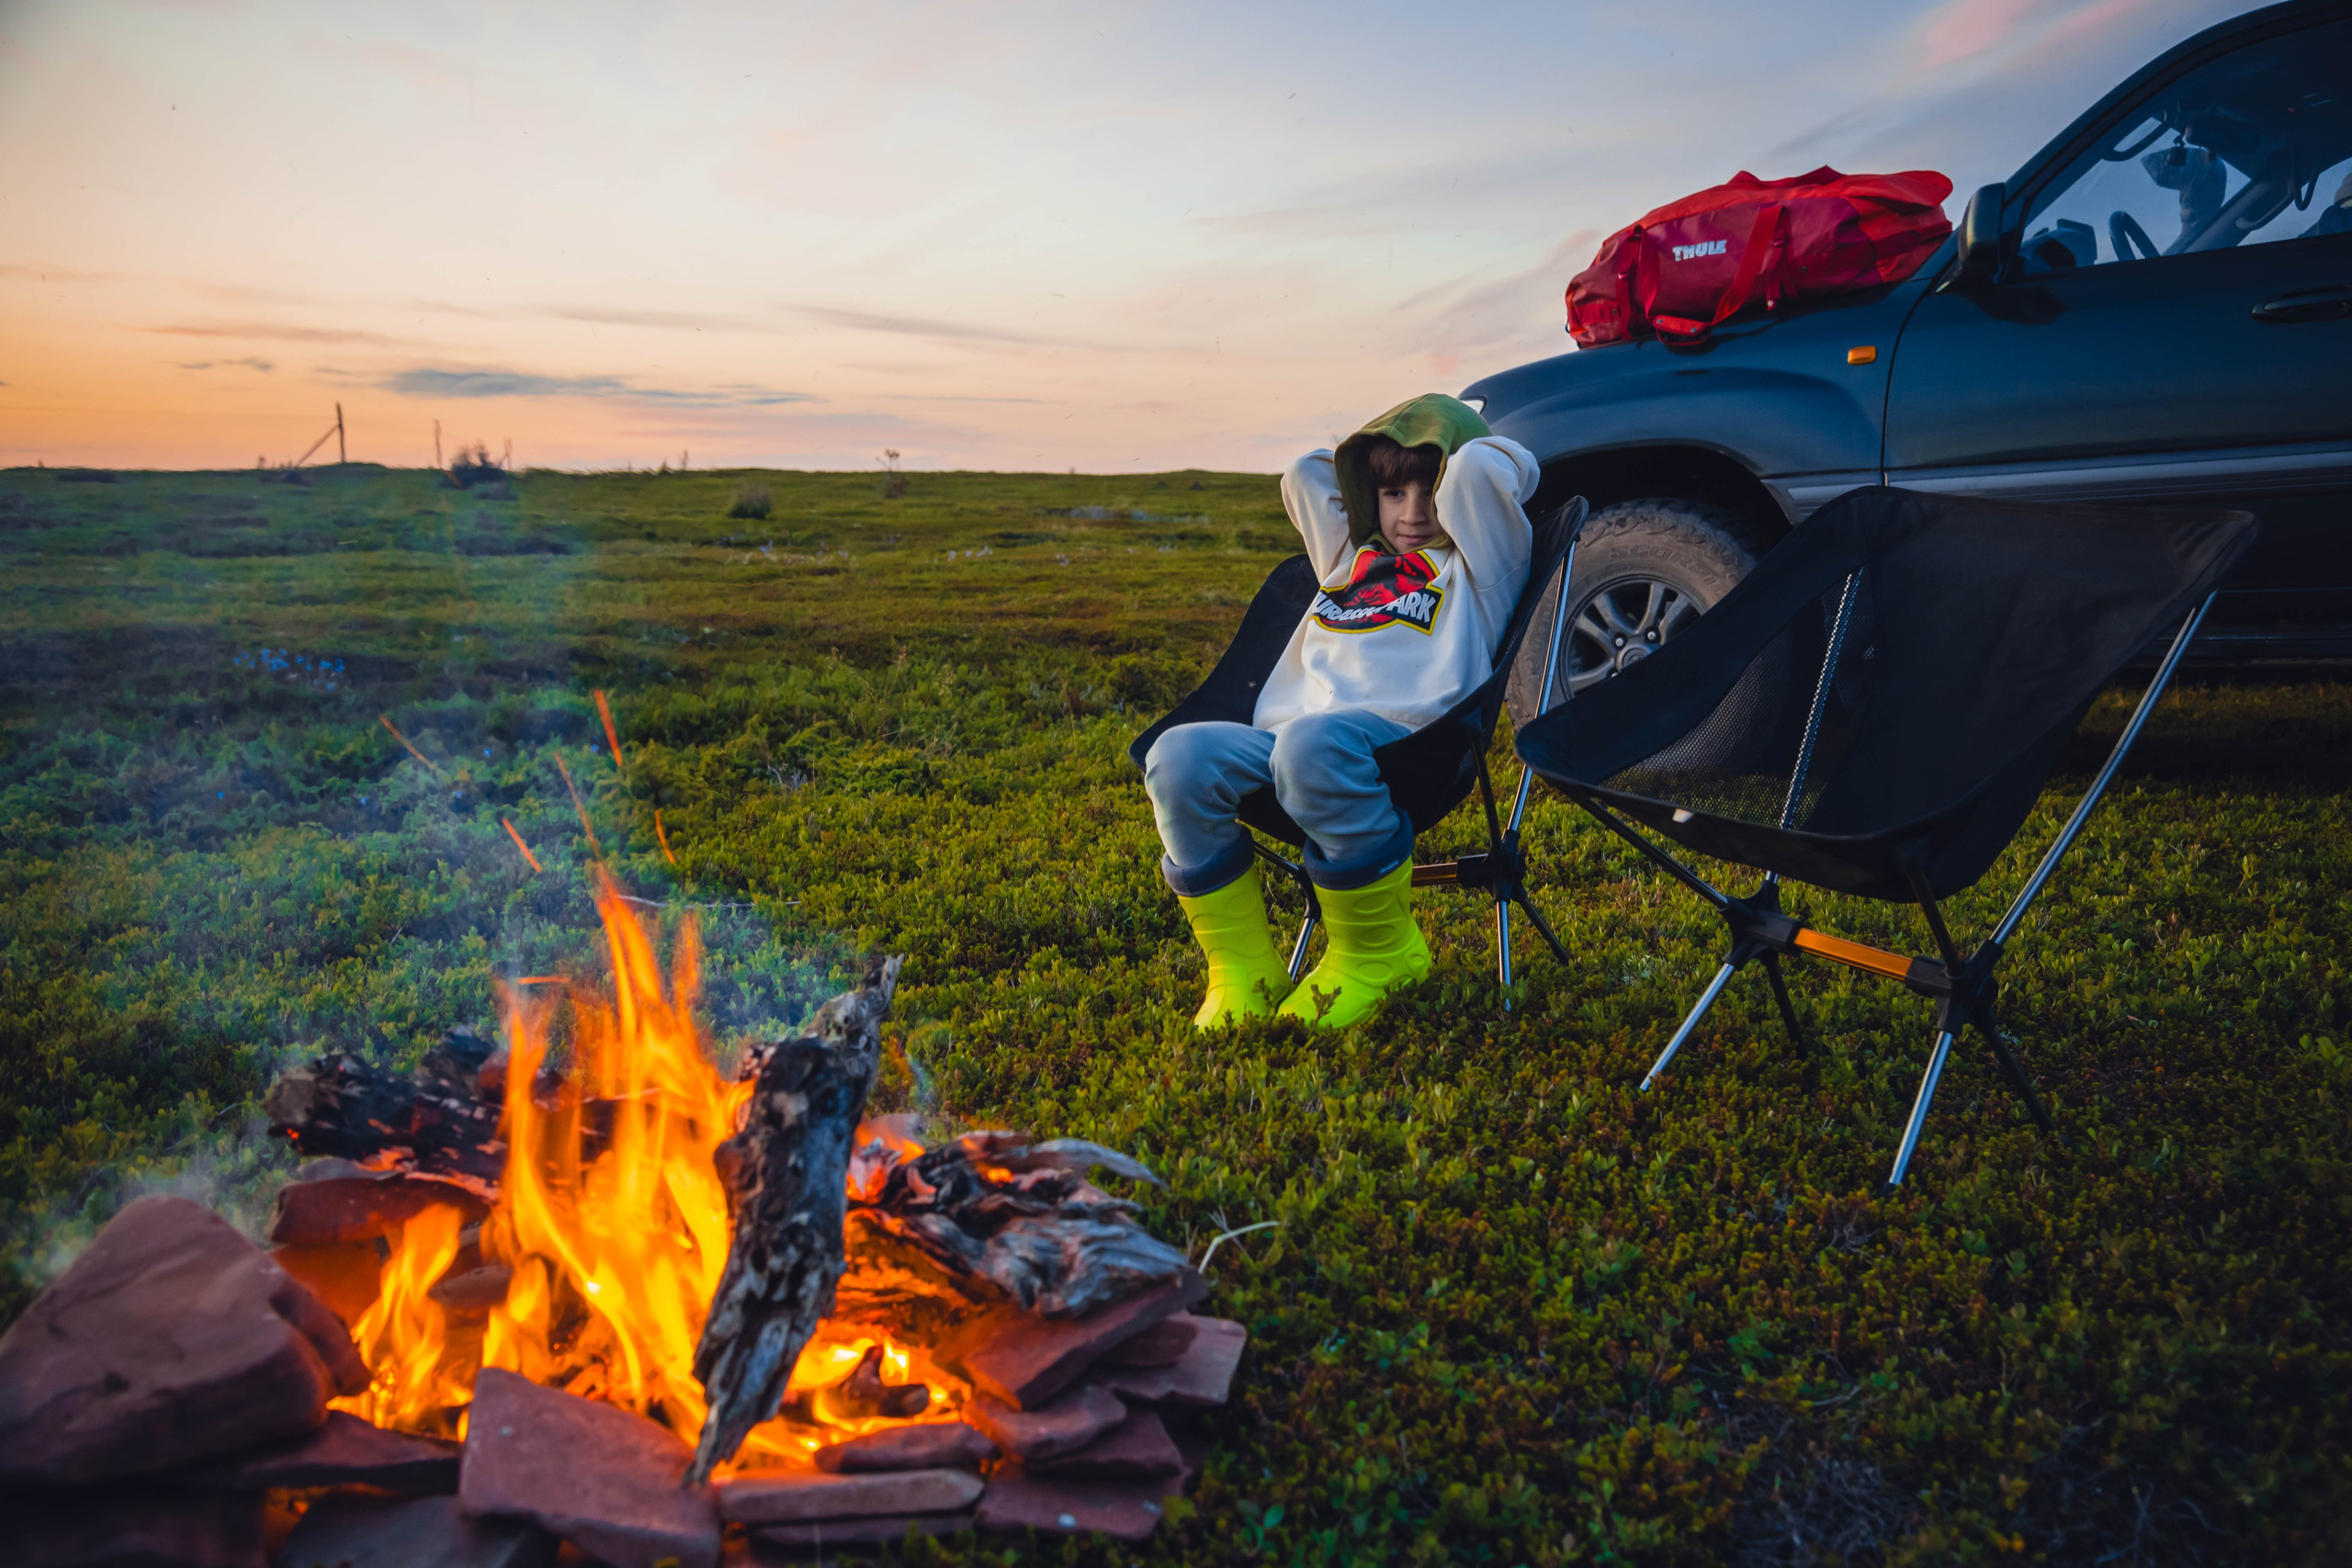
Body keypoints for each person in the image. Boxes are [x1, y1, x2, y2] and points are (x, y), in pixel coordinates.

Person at [1143, 393, 1540, 1031]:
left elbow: (1486, 474)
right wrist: (1377, 449)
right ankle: (1243, 968)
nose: (1412, 514)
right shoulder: (1344, 561)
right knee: (1178, 758)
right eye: (1391, 494)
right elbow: (1304, 473)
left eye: (1428, 493)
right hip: (1289, 743)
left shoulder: (1480, 567)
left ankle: (1378, 954)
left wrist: (1450, 438)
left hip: (1408, 746)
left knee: (1310, 744)